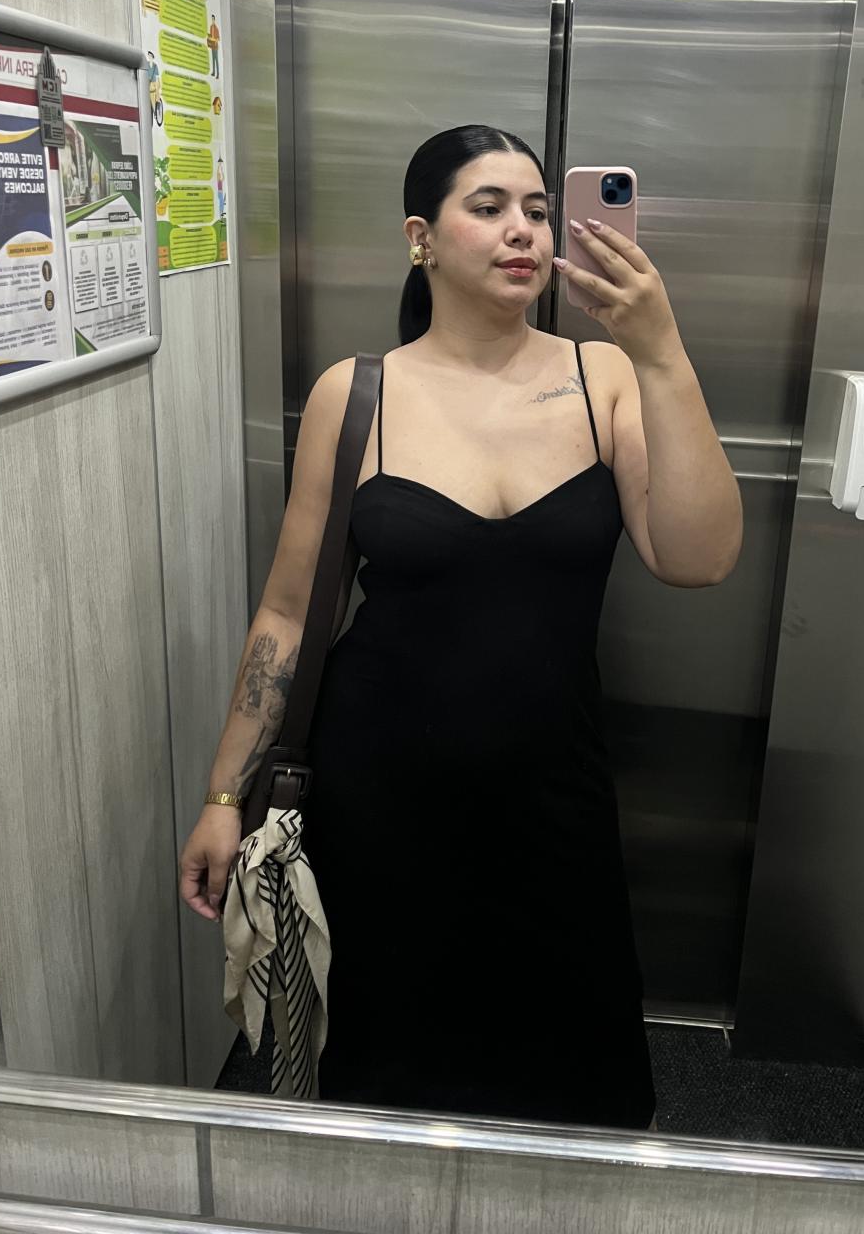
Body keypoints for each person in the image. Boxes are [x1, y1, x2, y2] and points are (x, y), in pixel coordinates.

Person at [178, 125, 742, 1130]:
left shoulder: (603, 379)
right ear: (421, 238)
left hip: (554, 791)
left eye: (538, 210)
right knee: (389, 1072)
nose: (523, 230)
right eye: (488, 207)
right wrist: (226, 794)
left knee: (572, 1081)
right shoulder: (355, 394)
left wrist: (660, 352)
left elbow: (697, 557)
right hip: (378, 797)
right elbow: (290, 612)